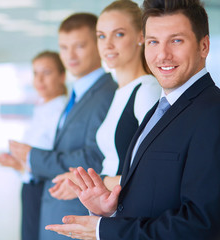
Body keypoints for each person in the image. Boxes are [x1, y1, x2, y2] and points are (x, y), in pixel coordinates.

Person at [45, 0, 220, 239]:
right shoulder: (160, 110)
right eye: (153, 42)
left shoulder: (212, 114)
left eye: (176, 40)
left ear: (204, 46)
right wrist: (112, 210)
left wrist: (104, 230)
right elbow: (157, 194)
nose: (163, 55)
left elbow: (201, 224)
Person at [9, 13, 117, 240]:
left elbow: (95, 156)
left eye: (80, 46)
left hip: (74, 213)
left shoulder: (107, 93)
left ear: (98, 44)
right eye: (64, 47)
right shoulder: (77, 93)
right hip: (57, 211)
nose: (71, 55)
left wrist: (33, 157)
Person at [48, 0, 161, 201]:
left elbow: (154, 172)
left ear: (140, 36)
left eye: (119, 34)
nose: (107, 45)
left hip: (132, 209)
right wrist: (81, 179)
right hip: (111, 207)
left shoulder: (146, 91)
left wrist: (97, 181)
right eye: (101, 36)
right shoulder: (121, 91)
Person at [0, 50, 67, 240]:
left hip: (45, 188)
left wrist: (24, 163)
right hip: (30, 185)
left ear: (62, 75)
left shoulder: (63, 110)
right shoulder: (42, 107)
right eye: (35, 73)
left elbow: (52, 158)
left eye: (47, 73)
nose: (39, 80)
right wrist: (16, 163)